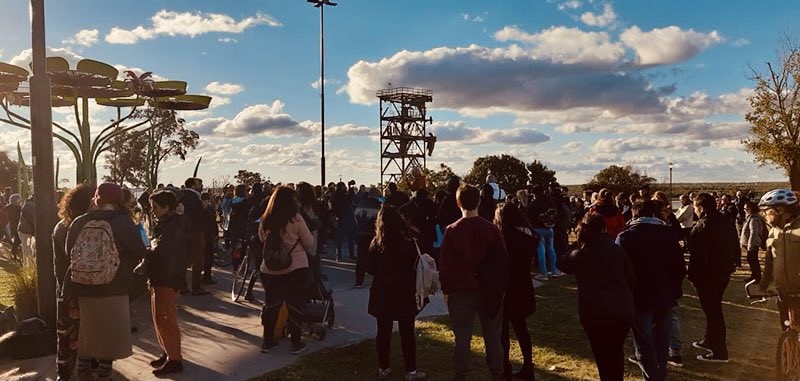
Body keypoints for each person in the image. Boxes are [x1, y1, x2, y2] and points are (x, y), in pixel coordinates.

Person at [63, 183, 146, 381]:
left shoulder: (80, 221)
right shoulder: (124, 222)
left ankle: (82, 373)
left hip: (83, 285)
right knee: (109, 334)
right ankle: (104, 375)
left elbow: (69, 252)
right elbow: (139, 251)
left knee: (87, 332)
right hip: (114, 286)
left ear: (96, 199)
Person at [439, 184, 509, 381]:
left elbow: (445, 265)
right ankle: (497, 371)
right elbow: (503, 261)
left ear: (458, 203)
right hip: (488, 290)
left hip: (460, 291)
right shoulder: (491, 229)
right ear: (478, 201)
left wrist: (446, 290)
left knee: (462, 337)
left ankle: (461, 371)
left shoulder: (452, 231)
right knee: (493, 336)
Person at [556, 214, 635, 381]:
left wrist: (574, 245)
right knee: (615, 351)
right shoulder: (616, 250)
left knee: (603, 355)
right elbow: (631, 278)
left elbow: (561, 263)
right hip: (621, 308)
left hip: (595, 311)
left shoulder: (581, 254)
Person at [616, 200, 685, 381]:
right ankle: (659, 372)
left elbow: (619, 270)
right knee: (661, 338)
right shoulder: (668, 234)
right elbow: (680, 267)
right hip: (664, 294)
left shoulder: (625, 237)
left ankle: (652, 376)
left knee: (644, 341)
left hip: (639, 296)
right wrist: (674, 287)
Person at [365, 204, 426, 380]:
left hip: (382, 291)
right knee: (407, 333)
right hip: (405, 291)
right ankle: (411, 370)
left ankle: (384, 368)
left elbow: (370, 268)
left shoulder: (377, 243)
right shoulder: (409, 241)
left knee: (383, 332)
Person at [258, 186, 315, 355]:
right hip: (295, 268)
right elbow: (309, 242)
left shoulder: (266, 220)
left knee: (271, 306)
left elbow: (262, 239)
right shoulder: (296, 219)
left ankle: (268, 341)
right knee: (295, 306)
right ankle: (296, 342)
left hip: (270, 269)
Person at [688, 193, 739, 363]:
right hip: (723, 271)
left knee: (713, 312)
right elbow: (735, 242)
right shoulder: (725, 220)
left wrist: (692, 276)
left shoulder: (702, 226)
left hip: (708, 275)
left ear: (700, 207)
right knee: (714, 308)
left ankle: (719, 351)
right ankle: (709, 339)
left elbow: (697, 257)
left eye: (695, 207)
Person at [52, 184, 95, 381]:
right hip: (89, 287)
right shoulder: (91, 226)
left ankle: (64, 372)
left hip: (66, 286)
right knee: (90, 329)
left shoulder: (60, 227)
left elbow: (59, 263)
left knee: (65, 331)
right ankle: (89, 369)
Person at [145, 190, 187, 375]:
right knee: (159, 318)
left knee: (165, 319)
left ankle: (175, 359)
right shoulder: (167, 223)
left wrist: (147, 252)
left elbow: (163, 250)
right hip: (160, 276)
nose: (152, 210)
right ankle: (167, 351)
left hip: (167, 277)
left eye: (155, 207)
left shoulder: (173, 226)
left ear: (167, 207)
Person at [494, 203, 537, 380]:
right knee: (521, 328)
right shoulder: (528, 236)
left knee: (503, 330)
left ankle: (505, 366)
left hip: (507, 287)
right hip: (524, 284)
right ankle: (528, 364)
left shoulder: (504, 238)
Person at [758, 189, 800, 327]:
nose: (764, 215)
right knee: (787, 331)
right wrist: (763, 287)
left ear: (780, 210)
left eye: (767, 211)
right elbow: (769, 263)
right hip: (784, 294)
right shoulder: (773, 232)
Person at [178, 178, 210, 295]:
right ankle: (196, 286)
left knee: (184, 259)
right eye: (199, 184)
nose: (201, 186)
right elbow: (200, 215)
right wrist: (205, 208)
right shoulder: (197, 199)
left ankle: (182, 285)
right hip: (196, 231)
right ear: (193, 185)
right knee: (198, 259)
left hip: (183, 231)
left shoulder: (180, 196)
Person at [527, 185, 562, 281]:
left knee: (541, 250)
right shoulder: (550, 201)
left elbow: (528, 214)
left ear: (535, 193)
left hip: (538, 228)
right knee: (551, 249)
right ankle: (554, 270)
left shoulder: (534, 203)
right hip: (550, 227)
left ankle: (544, 272)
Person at [354, 187, 381, 288]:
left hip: (361, 234)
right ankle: (376, 277)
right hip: (373, 235)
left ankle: (358, 281)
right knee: (376, 257)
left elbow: (355, 218)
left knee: (361, 258)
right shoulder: (378, 207)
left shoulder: (360, 206)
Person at [740, 201, 766, 283]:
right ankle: (754, 276)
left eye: (745, 209)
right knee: (752, 260)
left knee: (753, 260)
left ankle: (756, 277)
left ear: (749, 209)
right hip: (752, 243)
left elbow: (753, 232)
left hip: (753, 243)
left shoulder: (753, 219)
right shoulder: (751, 218)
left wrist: (750, 245)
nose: (744, 210)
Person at [17, 195, 35, 265]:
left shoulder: (28, 204)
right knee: (27, 250)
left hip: (24, 230)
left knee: (27, 249)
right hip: (25, 231)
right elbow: (33, 219)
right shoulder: (29, 206)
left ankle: (28, 266)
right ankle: (28, 267)